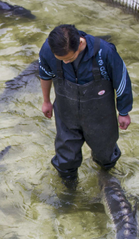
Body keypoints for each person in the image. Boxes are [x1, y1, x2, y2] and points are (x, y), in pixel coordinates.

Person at [39, 24, 133, 183]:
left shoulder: (105, 53)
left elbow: (122, 81)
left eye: (69, 58)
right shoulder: (49, 50)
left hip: (100, 115)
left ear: (80, 44)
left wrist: (124, 111)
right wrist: (46, 101)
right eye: (62, 60)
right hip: (66, 112)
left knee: (106, 156)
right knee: (65, 159)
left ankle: (106, 181)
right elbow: (45, 74)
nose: (66, 63)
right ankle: (69, 192)